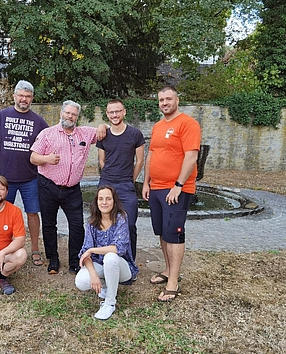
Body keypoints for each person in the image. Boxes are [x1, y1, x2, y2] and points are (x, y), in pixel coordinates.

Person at [30, 100, 107, 275]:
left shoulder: (85, 134)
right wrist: (47, 159)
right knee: (49, 224)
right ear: (61, 113)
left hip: (72, 189)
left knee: (77, 225)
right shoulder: (47, 134)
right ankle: (53, 260)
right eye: (67, 113)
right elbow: (33, 158)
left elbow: (104, 131)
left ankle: (74, 260)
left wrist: (103, 124)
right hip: (48, 185)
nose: (70, 116)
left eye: (73, 114)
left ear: (77, 117)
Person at [141, 86, 201, 302]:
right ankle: (167, 271)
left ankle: (173, 283)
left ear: (177, 100)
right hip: (156, 187)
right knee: (163, 231)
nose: (164, 103)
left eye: (168, 99)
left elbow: (191, 156)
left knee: (174, 233)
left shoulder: (188, 124)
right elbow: (151, 155)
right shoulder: (158, 126)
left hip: (176, 188)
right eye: (161, 100)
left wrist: (178, 184)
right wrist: (146, 182)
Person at [0, 80, 49, 267]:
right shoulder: (2, 116)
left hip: (30, 177)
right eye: (21, 95)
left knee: (32, 213)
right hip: (5, 178)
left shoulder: (38, 121)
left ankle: (35, 249)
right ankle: (1, 247)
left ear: (32, 99)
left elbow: (49, 141)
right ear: (14, 96)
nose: (24, 99)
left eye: (28, 96)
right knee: (1, 213)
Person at [75, 186, 139, 320]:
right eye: (101, 199)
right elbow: (85, 252)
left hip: (122, 267)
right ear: (96, 202)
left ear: (114, 202)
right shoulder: (91, 222)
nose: (104, 202)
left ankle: (110, 303)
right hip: (100, 265)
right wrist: (92, 273)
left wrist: (92, 250)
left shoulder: (121, 218)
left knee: (110, 257)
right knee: (81, 281)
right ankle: (106, 285)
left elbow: (118, 248)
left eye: (108, 199)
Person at [97, 99, 145, 262]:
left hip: (126, 186)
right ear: (107, 114)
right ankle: (105, 259)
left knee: (129, 224)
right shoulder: (103, 135)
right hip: (106, 183)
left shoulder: (135, 134)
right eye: (111, 112)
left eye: (118, 111)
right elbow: (101, 161)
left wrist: (130, 179)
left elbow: (139, 161)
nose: (115, 115)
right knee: (104, 223)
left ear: (124, 112)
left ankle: (129, 262)